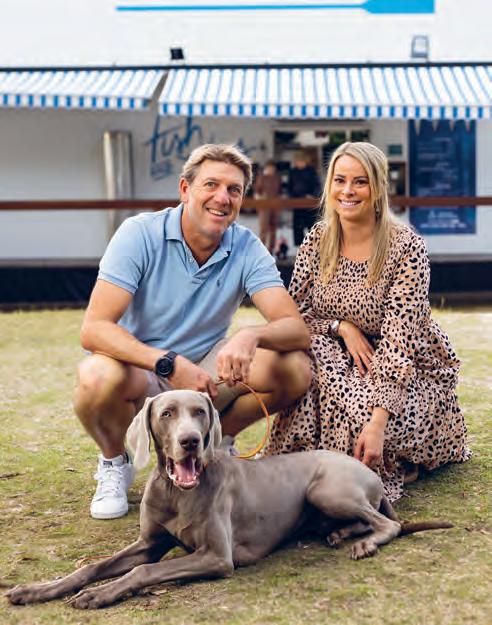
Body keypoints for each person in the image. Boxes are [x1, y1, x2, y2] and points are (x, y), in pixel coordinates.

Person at [75, 143, 311, 520]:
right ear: (185, 189)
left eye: (234, 190)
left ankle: (214, 443)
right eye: (211, 185)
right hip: (141, 372)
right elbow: (94, 329)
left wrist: (249, 335)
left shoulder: (246, 247)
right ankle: (114, 461)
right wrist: (168, 364)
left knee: (293, 368)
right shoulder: (139, 233)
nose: (222, 198)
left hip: (205, 376)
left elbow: (295, 329)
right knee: (95, 377)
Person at [265, 141, 471, 502]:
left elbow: (399, 342)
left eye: (360, 182)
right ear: (329, 185)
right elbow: (294, 316)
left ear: (378, 188)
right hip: (336, 355)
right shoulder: (317, 240)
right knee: (313, 376)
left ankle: (388, 459)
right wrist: (340, 327)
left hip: (407, 367)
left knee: (369, 422)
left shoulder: (406, 247)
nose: (347, 191)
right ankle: (320, 473)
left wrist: (377, 422)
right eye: (340, 180)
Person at [288, 154, 321, 247]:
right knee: (298, 227)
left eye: (301, 161)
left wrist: (313, 196)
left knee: (311, 226)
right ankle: (300, 247)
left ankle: (313, 247)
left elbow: (317, 185)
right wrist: (292, 198)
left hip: (310, 203)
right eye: (298, 162)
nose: (299, 163)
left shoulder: (311, 171)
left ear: (305, 161)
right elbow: (289, 187)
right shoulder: (293, 172)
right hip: (297, 202)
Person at [254, 159, 282, 253]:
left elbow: (280, 190)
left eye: (273, 168)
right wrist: (260, 198)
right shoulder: (261, 177)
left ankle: (271, 250)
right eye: (269, 168)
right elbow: (257, 192)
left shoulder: (277, 177)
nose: (271, 170)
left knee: (273, 229)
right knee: (263, 229)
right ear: (266, 168)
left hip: (275, 205)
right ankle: (261, 251)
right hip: (264, 206)